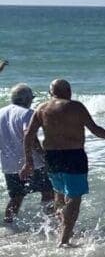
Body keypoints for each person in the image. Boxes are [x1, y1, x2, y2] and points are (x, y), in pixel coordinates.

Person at [19, 79, 105, 247]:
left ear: (51, 93)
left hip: (51, 157)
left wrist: (28, 161)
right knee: (74, 198)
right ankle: (64, 239)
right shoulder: (76, 107)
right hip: (74, 156)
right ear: (69, 91)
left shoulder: (42, 108)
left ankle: (62, 227)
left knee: (59, 193)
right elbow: (94, 129)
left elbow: (28, 135)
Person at [2, 84, 52, 222]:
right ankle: (48, 222)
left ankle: (8, 226)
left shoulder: (1, 112)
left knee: (16, 197)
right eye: (31, 98)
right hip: (32, 164)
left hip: (9, 165)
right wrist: (42, 155)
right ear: (26, 99)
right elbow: (28, 135)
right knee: (48, 192)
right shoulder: (27, 113)